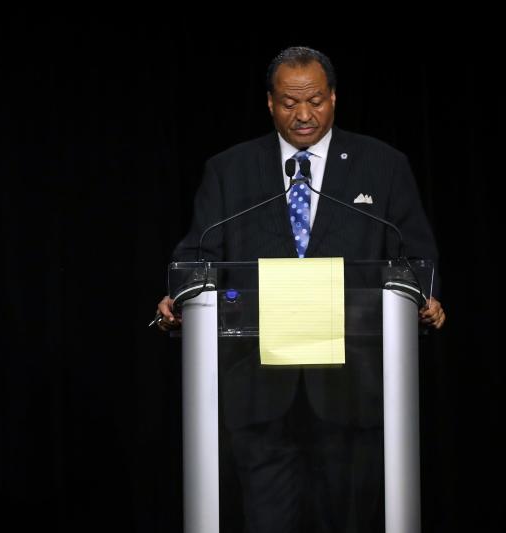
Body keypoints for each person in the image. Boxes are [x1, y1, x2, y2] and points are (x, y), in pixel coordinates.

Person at [154, 47, 445, 532]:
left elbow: (415, 254)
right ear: (270, 103)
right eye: (290, 103)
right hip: (261, 392)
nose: (304, 114)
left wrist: (422, 295)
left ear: (334, 97)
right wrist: (183, 294)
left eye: (315, 100)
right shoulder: (230, 170)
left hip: (354, 390)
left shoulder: (383, 165)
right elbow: (196, 254)